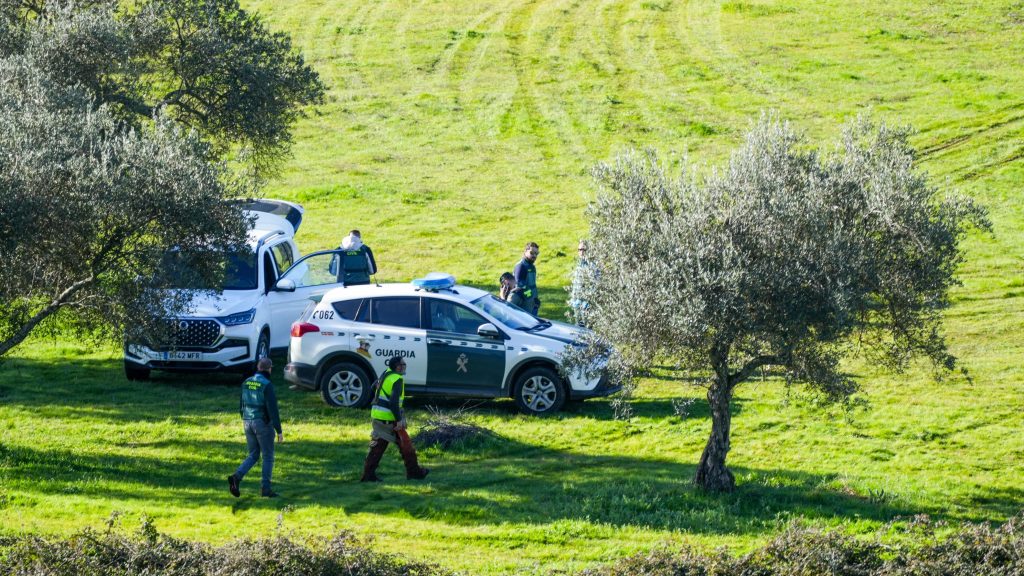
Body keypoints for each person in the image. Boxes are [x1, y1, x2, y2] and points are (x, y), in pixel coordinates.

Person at [361, 356, 429, 482]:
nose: (405, 366)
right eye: (403, 364)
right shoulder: (397, 379)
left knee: (378, 447)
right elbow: (393, 402)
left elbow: (372, 387)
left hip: (378, 417)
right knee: (406, 445)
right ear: (397, 366)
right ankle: (414, 473)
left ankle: (368, 475)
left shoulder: (385, 373)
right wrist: (398, 420)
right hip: (390, 419)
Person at [228, 357, 283, 498]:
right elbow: (273, 409)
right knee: (268, 456)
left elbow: (241, 405)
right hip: (262, 423)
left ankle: (236, 477)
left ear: (258, 368)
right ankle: (266, 489)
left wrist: (245, 418)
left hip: (247, 421)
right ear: (269, 369)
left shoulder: (246, 382)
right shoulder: (267, 384)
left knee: (253, 454)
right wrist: (279, 430)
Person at [568, 239, 597, 326]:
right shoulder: (579, 264)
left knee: (586, 330)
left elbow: (595, 285)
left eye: (584, 250)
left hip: (586, 306)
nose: (581, 252)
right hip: (577, 304)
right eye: (580, 249)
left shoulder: (592, 266)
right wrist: (573, 301)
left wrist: (588, 305)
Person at [510, 242, 540, 315]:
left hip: (531, 303)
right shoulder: (521, 266)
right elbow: (520, 285)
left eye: (536, 253)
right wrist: (532, 298)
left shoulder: (532, 267)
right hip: (523, 305)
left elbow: (532, 285)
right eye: (532, 253)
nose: (534, 255)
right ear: (525, 252)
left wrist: (535, 299)